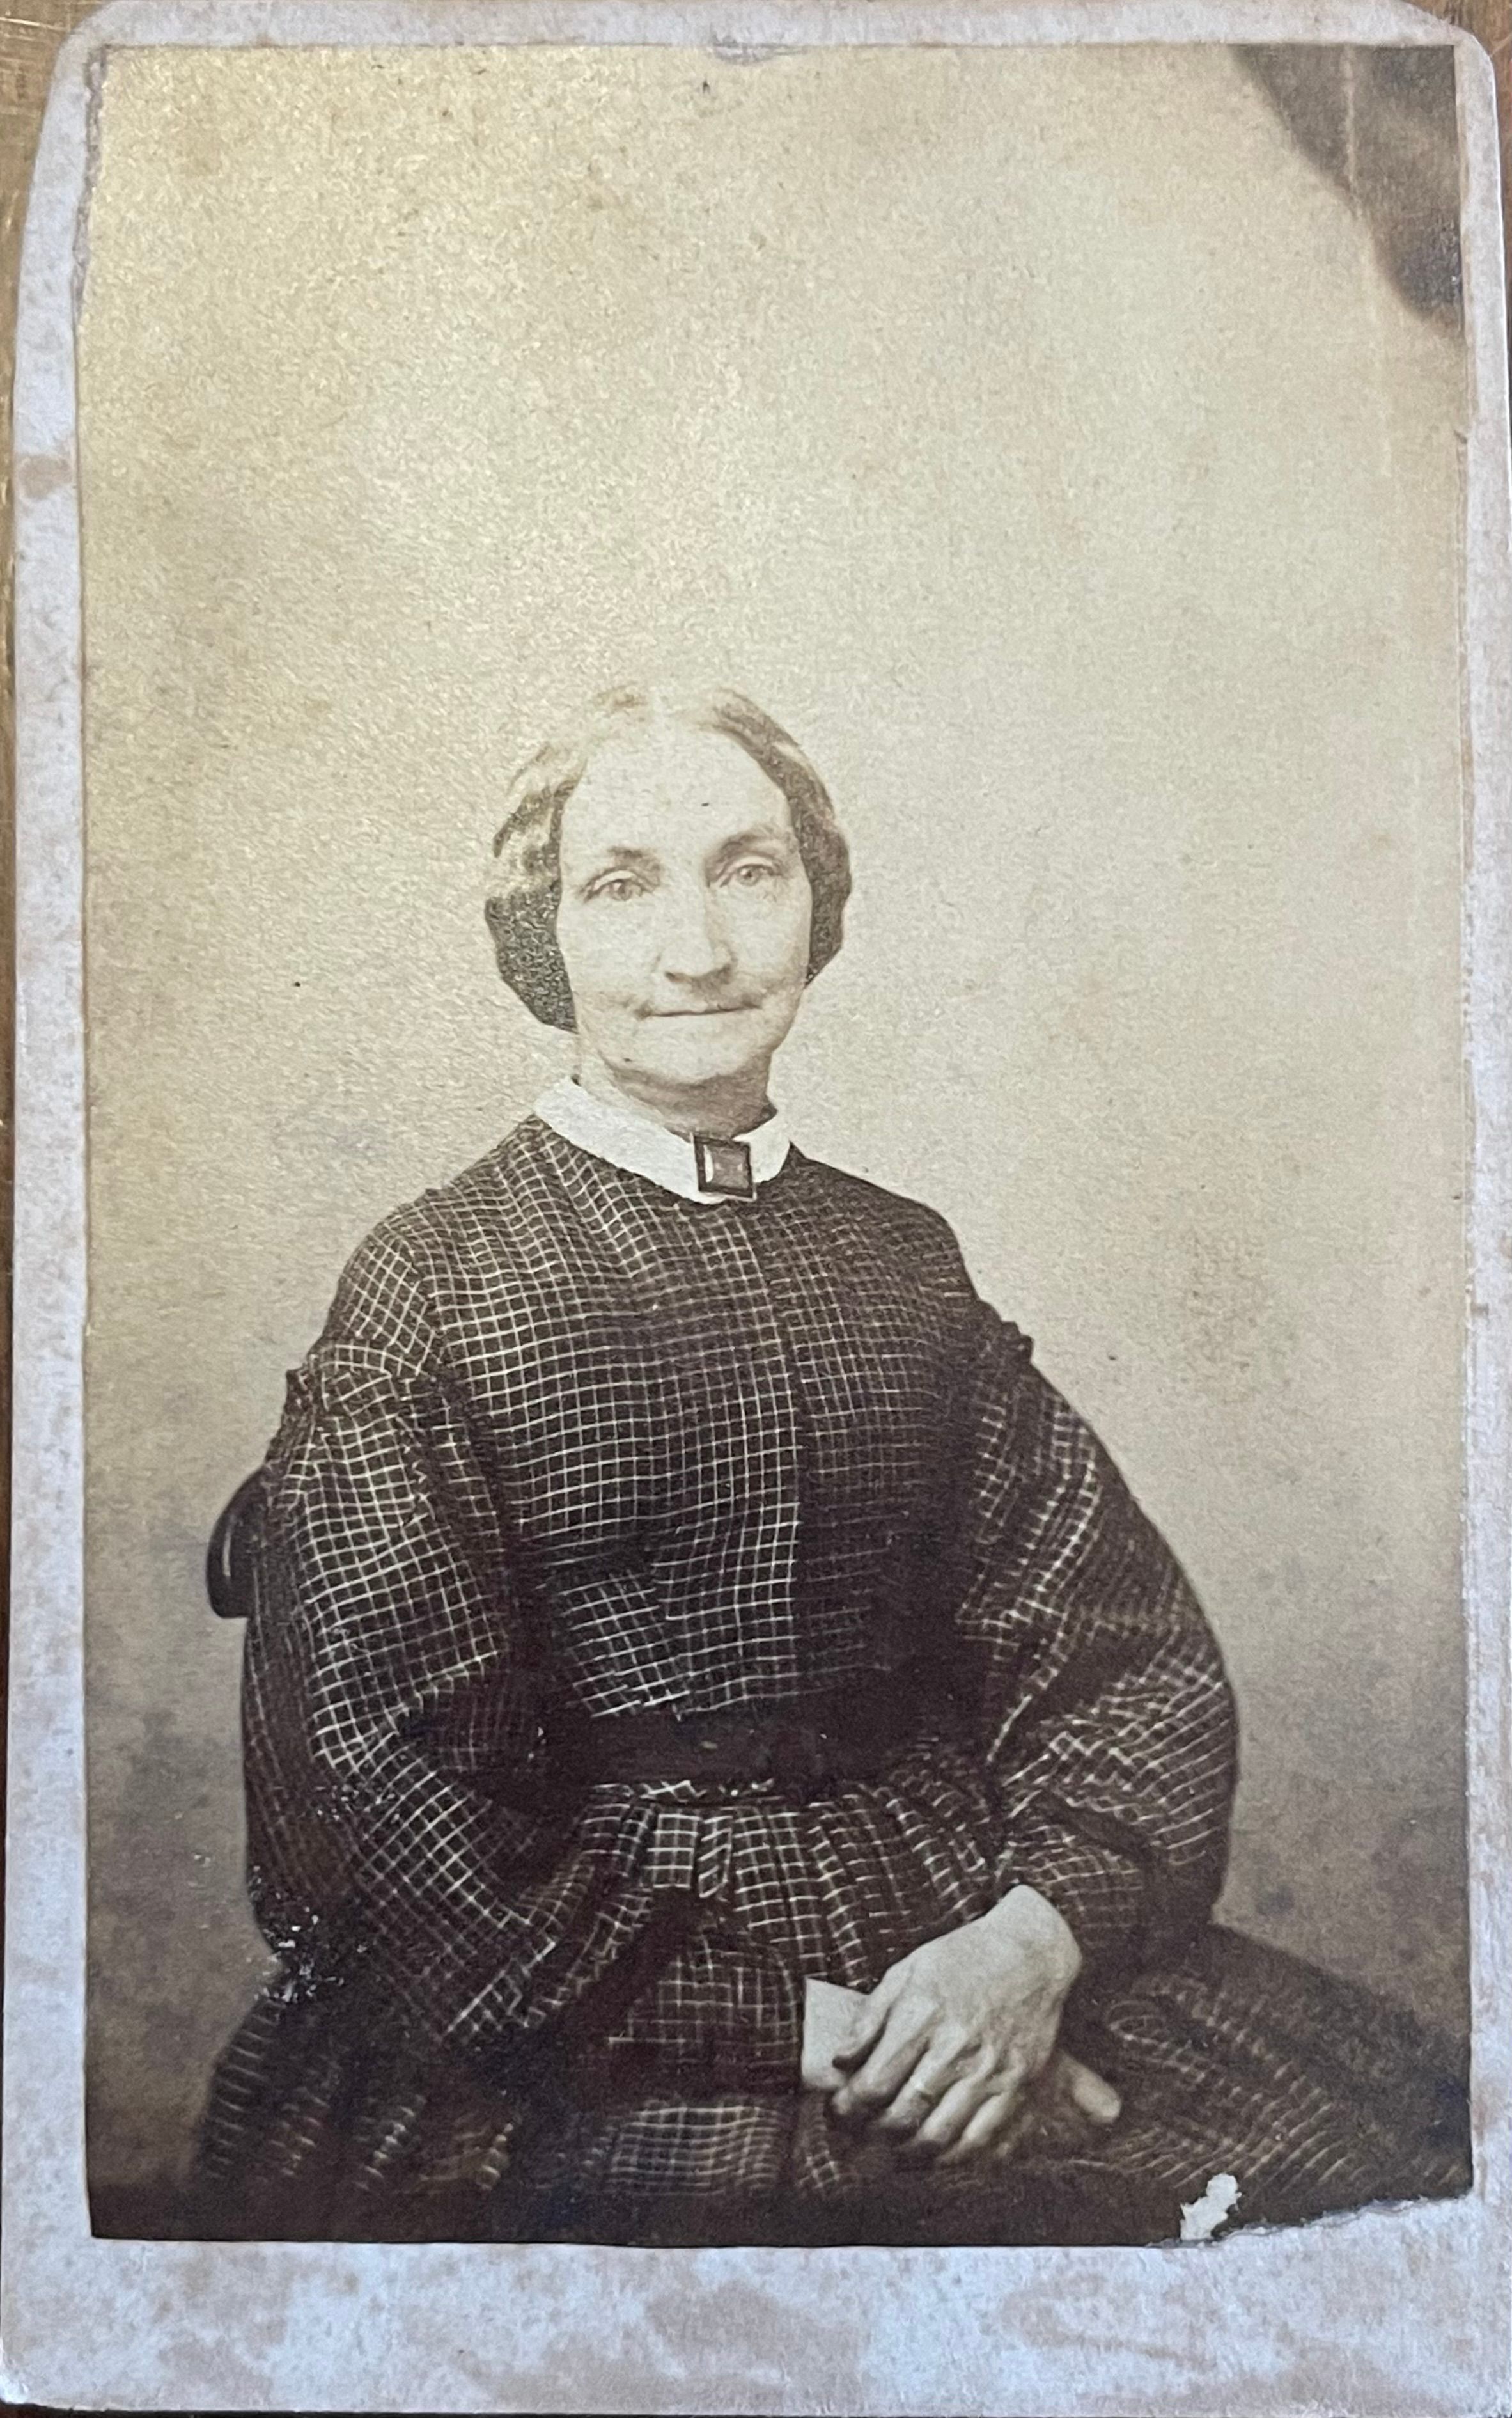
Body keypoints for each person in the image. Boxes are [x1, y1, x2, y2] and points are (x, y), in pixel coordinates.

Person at [194, 686, 1469, 2246]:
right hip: (600, 2004)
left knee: (1399, 2156)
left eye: (748, 870)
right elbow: (378, 1804)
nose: (698, 949)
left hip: (962, 1935)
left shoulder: (899, 1258)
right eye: (622, 885)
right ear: (543, 933)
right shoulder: (434, 1283)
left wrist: (1026, 1951)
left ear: (818, 900)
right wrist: (837, 2041)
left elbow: (1113, 1652)